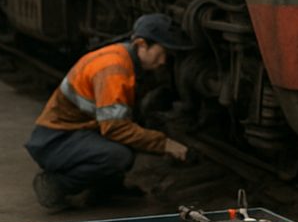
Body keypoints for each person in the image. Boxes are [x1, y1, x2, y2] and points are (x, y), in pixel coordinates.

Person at [26, 13, 192, 211]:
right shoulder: (114, 69)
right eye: (161, 52)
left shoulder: (124, 57)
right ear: (141, 44)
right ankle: (56, 184)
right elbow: (115, 128)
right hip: (55, 141)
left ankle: (106, 187)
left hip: (74, 131)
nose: (164, 61)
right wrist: (165, 144)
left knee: (133, 136)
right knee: (119, 155)